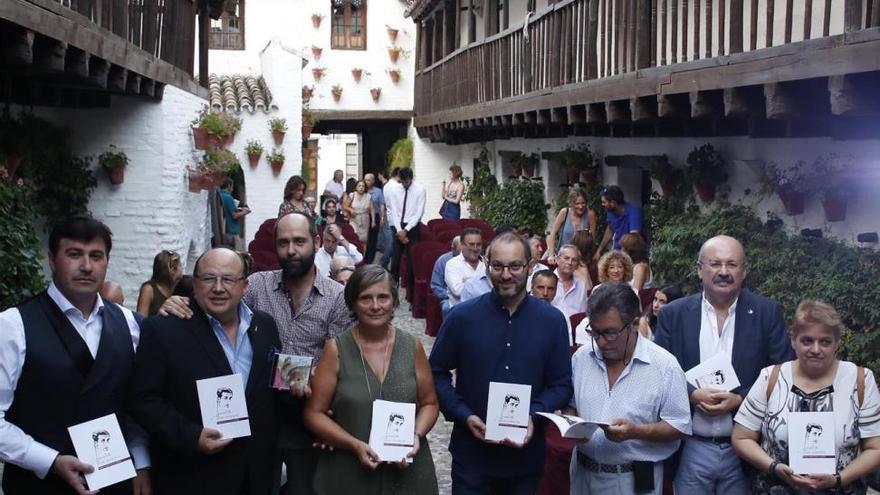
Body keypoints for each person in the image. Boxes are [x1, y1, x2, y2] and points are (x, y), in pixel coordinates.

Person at [158, 212, 354, 495]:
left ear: (316, 241)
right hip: (254, 417)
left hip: (306, 420)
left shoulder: (337, 297)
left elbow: (336, 362)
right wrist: (180, 303)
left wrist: (317, 379)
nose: (291, 250)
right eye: (283, 242)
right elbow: (217, 303)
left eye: (299, 241)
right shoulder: (257, 285)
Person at [0, 216, 150, 494]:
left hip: (115, 481)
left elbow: (135, 404)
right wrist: (50, 460)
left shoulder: (130, 324)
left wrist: (140, 461)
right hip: (39, 485)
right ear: (52, 260)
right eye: (74, 254)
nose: (86, 266)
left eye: (96, 256)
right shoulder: (12, 325)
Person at [429, 232, 573, 494]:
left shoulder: (553, 322)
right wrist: (463, 414)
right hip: (472, 458)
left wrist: (534, 416)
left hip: (526, 462)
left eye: (515, 266)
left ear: (530, 267)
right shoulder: (462, 317)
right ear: (487, 265)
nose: (506, 275)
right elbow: (436, 371)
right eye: (498, 266)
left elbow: (562, 385)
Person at [131, 248, 282, 494]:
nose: (219, 288)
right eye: (209, 278)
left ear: (244, 285)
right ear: (194, 283)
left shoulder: (264, 326)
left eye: (229, 279)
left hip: (257, 474)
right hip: (194, 476)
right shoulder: (163, 329)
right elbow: (143, 400)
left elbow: (271, 393)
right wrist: (191, 436)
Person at [654, 235, 793, 495]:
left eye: (732, 264)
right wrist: (691, 394)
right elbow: (658, 372)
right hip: (689, 446)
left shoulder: (766, 312)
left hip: (745, 448)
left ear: (744, 270)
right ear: (699, 269)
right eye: (715, 264)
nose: (724, 272)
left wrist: (741, 399)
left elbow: (783, 372)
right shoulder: (673, 314)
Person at [304, 265, 440, 494]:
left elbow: (429, 403)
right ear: (353, 303)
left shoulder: (411, 345)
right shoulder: (336, 349)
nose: (375, 306)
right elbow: (314, 413)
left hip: (406, 474)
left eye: (383, 297)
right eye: (365, 298)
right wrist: (353, 444)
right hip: (350, 472)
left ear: (394, 301)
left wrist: (416, 435)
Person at [732, 300, 880, 494]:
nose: (816, 349)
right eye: (807, 340)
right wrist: (774, 467)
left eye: (825, 341)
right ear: (793, 340)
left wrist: (838, 479)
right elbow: (741, 437)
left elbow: (875, 448)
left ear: (837, 343)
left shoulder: (860, 380)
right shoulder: (772, 377)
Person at [568, 283, 692, 494]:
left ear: (634, 323)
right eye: (594, 332)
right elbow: (572, 405)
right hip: (582, 473)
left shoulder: (664, 366)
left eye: (610, 333)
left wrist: (636, 431)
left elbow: (680, 427)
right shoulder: (582, 357)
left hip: (632, 481)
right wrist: (572, 424)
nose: (601, 342)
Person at [388, 168, 425, 291]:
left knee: (412, 263)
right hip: (398, 226)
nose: (404, 184)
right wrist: (399, 230)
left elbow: (419, 212)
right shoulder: (394, 189)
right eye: (402, 181)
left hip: (412, 226)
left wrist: (407, 230)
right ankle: (393, 290)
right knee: (395, 261)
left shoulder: (420, 190)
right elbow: (393, 210)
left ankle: (411, 293)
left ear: (411, 178)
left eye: (407, 181)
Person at [546, 188, 597, 262]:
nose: (581, 206)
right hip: (564, 257)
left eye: (583, 203)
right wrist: (551, 255)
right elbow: (553, 233)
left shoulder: (590, 214)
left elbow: (592, 238)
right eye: (577, 203)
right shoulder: (564, 212)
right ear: (571, 204)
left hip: (582, 259)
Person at [531, 269, 580, 346]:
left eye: (550, 289)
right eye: (540, 288)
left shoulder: (561, 314)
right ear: (532, 288)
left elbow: (567, 347)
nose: (545, 293)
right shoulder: (520, 311)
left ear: (556, 291)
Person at [595, 185, 643, 259]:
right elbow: (611, 229)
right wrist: (599, 250)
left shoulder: (633, 212)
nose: (602, 205)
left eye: (604, 202)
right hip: (617, 251)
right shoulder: (610, 211)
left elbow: (634, 239)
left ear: (613, 203)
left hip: (631, 254)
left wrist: (622, 257)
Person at [444, 228, 484, 309]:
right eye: (471, 244)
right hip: (461, 312)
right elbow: (458, 291)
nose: (475, 248)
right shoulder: (452, 264)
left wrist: (467, 281)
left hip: (485, 311)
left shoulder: (487, 264)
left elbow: (495, 290)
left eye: (478, 244)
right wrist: (482, 284)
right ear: (462, 245)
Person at [136, 249, 184, 316]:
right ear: (172, 269)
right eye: (180, 265)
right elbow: (140, 320)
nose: (182, 268)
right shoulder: (149, 289)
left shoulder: (182, 286)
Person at [551, 244, 588, 318]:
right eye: (566, 258)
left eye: (574, 260)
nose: (570, 262)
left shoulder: (581, 285)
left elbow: (582, 313)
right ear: (557, 260)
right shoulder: (547, 281)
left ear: (577, 265)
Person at [431, 236, 461, 316]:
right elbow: (436, 285)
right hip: (448, 296)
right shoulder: (443, 260)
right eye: (459, 252)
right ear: (452, 248)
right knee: (447, 308)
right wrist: (449, 295)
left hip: (467, 295)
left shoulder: (469, 260)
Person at [379, 168, 403, 269]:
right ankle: (383, 263)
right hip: (396, 218)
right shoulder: (398, 186)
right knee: (393, 244)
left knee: (392, 242)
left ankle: (387, 264)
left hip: (390, 216)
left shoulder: (387, 186)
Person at [219, 178, 251, 249]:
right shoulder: (228, 197)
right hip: (232, 232)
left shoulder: (219, 195)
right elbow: (234, 215)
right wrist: (245, 212)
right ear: (229, 186)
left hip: (223, 231)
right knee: (237, 255)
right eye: (232, 186)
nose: (232, 189)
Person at [363, 173, 386, 264]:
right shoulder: (361, 190)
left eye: (369, 180)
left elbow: (381, 205)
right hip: (364, 216)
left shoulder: (378, 191)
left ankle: (370, 260)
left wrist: (382, 217)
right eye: (365, 180)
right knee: (364, 238)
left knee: (373, 239)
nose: (366, 182)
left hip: (374, 217)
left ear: (373, 181)